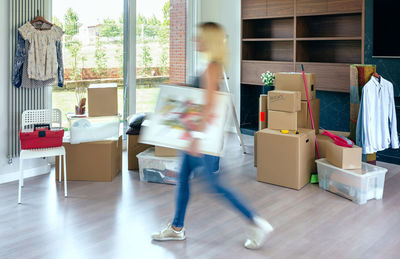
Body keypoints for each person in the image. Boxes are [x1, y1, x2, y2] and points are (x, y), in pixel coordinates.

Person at [151, 22, 273, 250]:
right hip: (199, 137)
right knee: (184, 180)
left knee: (215, 186)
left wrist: (196, 137)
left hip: (201, 140)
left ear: (209, 40)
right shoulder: (212, 66)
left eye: (200, 37)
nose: (196, 40)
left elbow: (207, 106)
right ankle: (177, 228)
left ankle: (255, 221)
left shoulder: (210, 69)